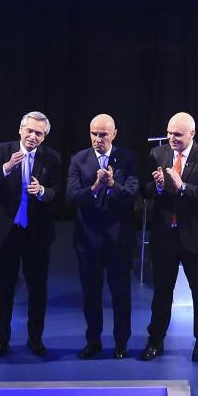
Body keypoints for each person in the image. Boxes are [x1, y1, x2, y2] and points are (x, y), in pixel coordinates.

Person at [138, 112, 198, 363]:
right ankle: (155, 341)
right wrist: (160, 186)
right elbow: (145, 191)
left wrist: (181, 185)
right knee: (162, 291)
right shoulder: (157, 155)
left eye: (177, 134)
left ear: (192, 134)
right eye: (169, 133)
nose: (171, 138)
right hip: (165, 236)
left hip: (195, 236)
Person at [0, 111, 60, 358]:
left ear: (44, 136)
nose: (32, 136)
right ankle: (1, 340)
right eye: (29, 131)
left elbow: (58, 192)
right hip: (6, 233)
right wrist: (6, 167)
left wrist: (42, 191)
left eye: (39, 133)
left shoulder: (52, 158)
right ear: (20, 130)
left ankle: (35, 338)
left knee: (38, 289)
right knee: (4, 289)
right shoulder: (2, 151)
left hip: (36, 234)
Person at [66, 114, 139, 359]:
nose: (98, 139)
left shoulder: (128, 159)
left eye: (103, 134)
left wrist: (111, 185)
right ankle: (93, 340)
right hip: (88, 240)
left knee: (121, 294)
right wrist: (96, 187)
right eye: (94, 134)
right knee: (91, 294)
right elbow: (72, 197)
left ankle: (121, 342)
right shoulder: (78, 160)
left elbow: (130, 197)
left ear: (114, 133)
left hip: (119, 240)